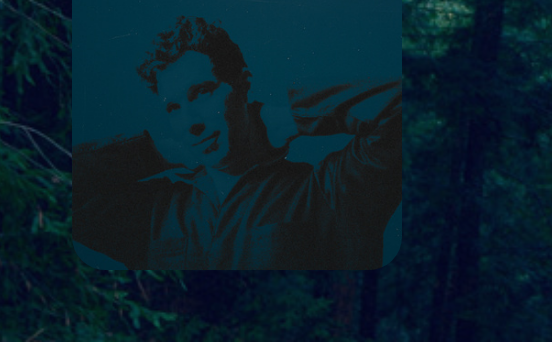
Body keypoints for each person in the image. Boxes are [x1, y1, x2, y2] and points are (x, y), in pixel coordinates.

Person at [73, 15, 400, 269]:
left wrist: (289, 117)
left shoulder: (332, 192)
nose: (190, 122)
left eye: (202, 92)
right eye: (174, 108)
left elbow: (397, 107)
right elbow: (54, 186)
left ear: (242, 85)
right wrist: (158, 152)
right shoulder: (158, 214)